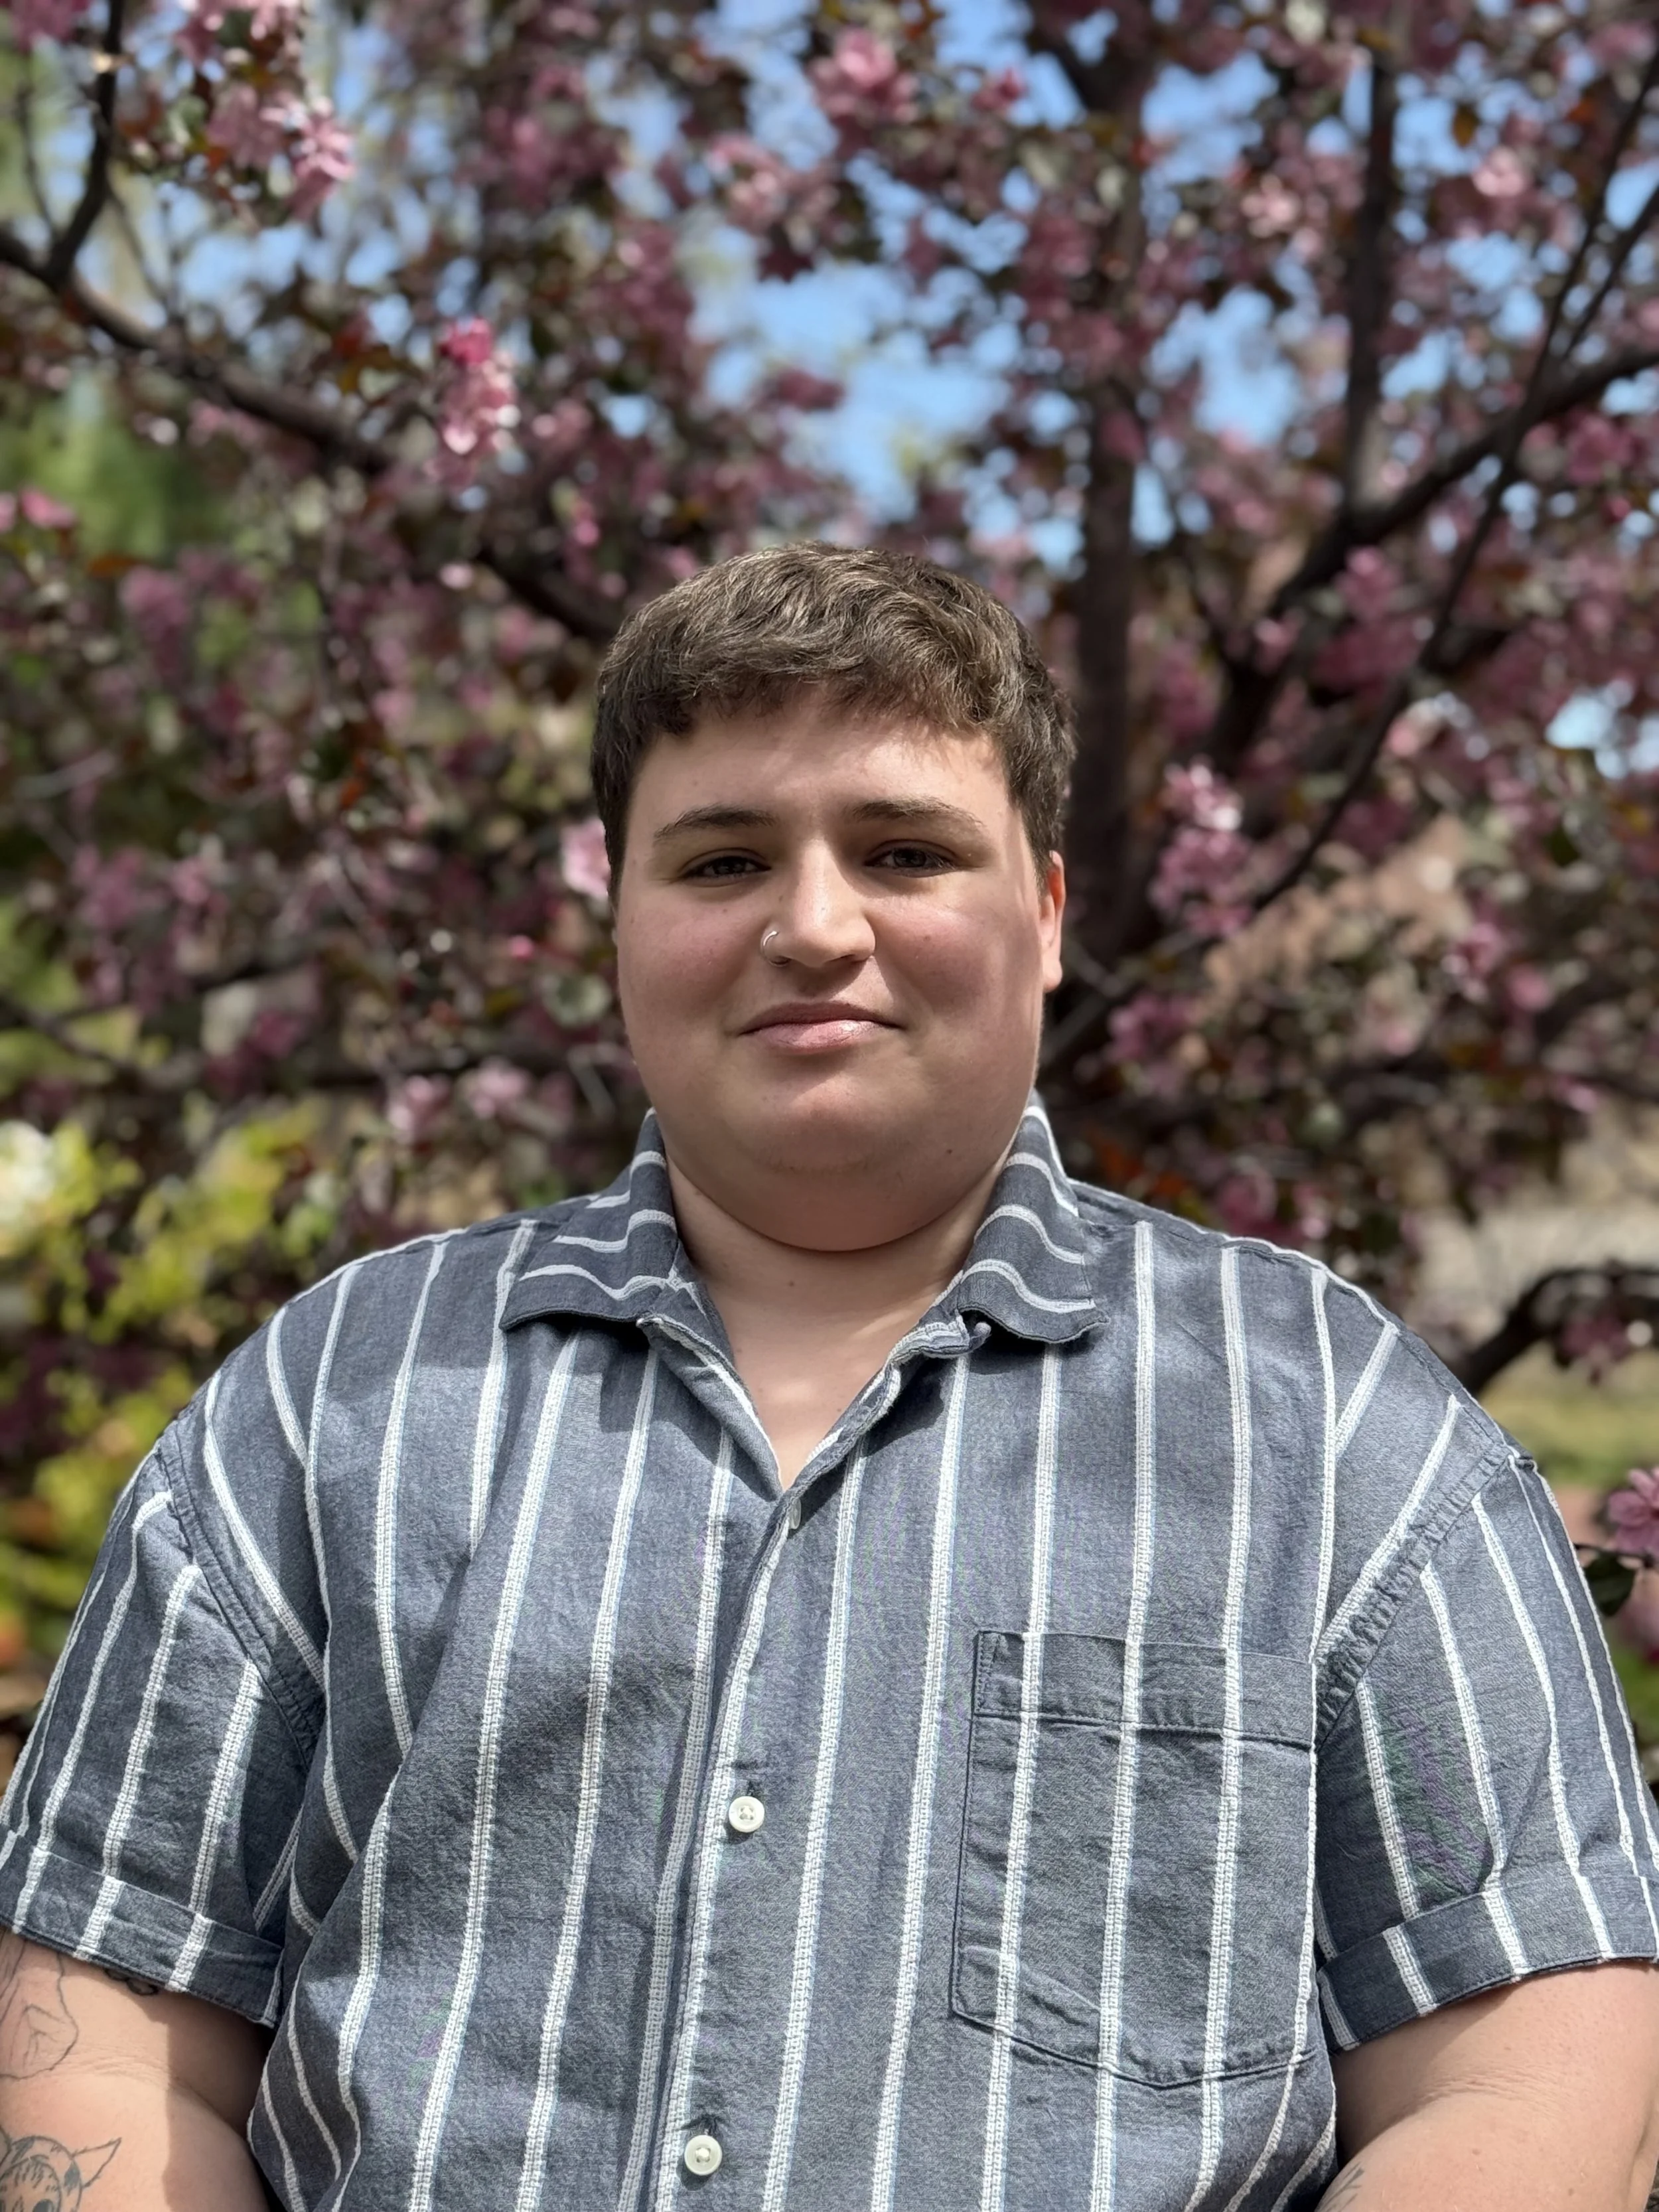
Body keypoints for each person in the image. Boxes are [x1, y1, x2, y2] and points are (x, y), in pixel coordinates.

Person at [1, 544, 1657, 2212]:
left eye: (903, 850)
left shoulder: (1341, 1439)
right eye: (722, 858)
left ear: (1046, 914)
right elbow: (97, 2027)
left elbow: (1533, 2065)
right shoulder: (327, 1405)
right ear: (619, 921)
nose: (812, 925)